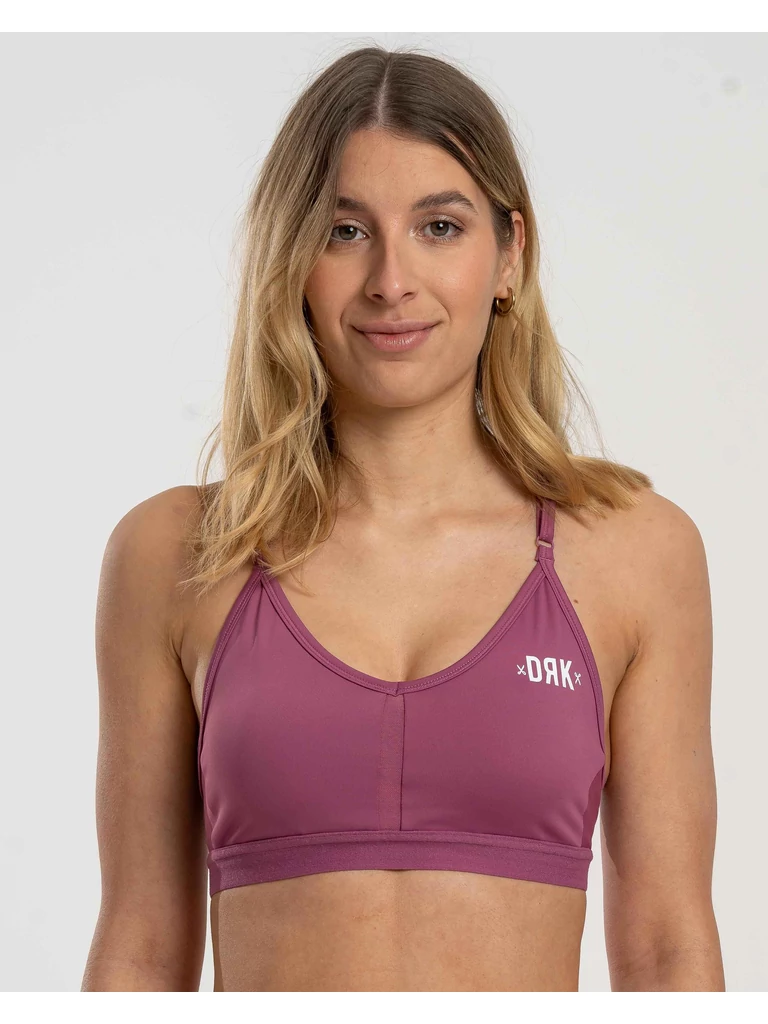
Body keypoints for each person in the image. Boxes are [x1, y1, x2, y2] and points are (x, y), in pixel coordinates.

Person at [81, 45, 725, 992]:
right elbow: (139, 950)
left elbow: (670, 951)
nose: (391, 279)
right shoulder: (176, 555)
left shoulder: (632, 552)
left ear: (509, 256)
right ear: (291, 260)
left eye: (439, 227)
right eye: (345, 231)